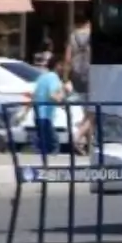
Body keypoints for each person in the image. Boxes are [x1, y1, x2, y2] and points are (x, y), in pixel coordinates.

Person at [64, 13, 92, 154]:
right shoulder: (92, 35)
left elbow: (68, 59)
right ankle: (77, 137)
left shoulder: (73, 36)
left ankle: (88, 145)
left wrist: (66, 78)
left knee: (86, 110)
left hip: (77, 76)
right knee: (94, 113)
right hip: (92, 75)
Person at [31, 54, 67, 156]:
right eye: (62, 65)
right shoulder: (53, 77)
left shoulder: (42, 77)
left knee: (42, 146)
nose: (64, 68)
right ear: (57, 65)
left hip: (38, 114)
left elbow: (34, 95)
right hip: (45, 116)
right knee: (54, 145)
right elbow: (53, 95)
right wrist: (64, 94)